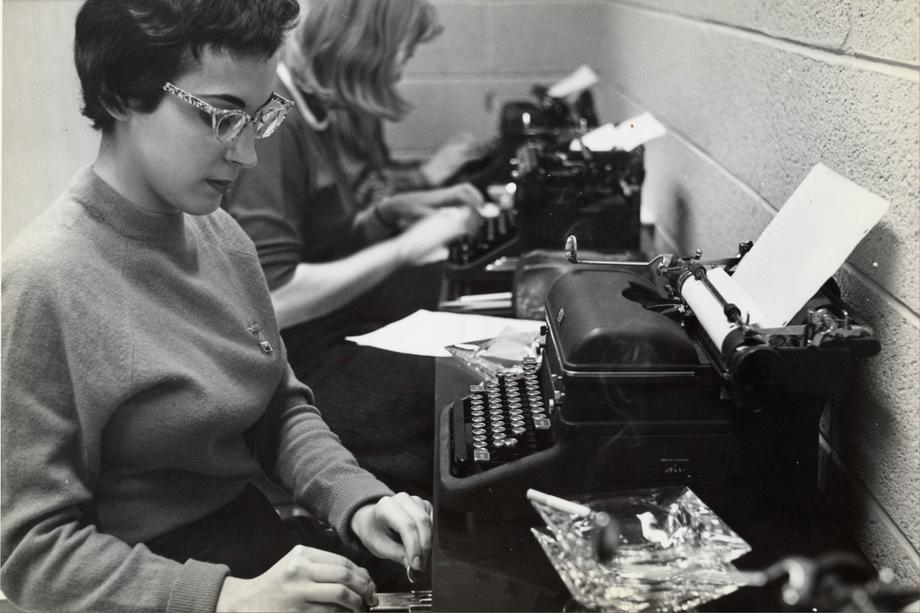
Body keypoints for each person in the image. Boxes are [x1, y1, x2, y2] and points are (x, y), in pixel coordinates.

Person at [0, 1, 432, 611]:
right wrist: (227, 599)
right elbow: (32, 553)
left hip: (252, 548)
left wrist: (357, 499)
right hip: (157, 586)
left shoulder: (221, 235)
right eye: (223, 116)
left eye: (261, 118)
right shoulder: (43, 280)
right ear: (124, 94)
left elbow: (276, 406)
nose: (247, 154)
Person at [224, 0, 484, 498]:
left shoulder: (321, 107)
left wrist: (389, 215)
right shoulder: (278, 122)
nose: (403, 65)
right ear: (365, 47)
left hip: (329, 326)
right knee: (452, 395)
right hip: (288, 362)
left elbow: (326, 237)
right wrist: (403, 248)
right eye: (402, 51)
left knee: (465, 335)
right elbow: (276, 300)